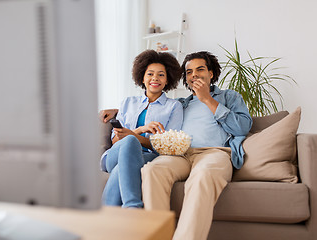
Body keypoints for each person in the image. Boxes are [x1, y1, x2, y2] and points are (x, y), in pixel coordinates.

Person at [100, 51, 252, 239]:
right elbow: (152, 103)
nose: (194, 75)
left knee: (202, 176)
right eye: (189, 72)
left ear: (211, 74)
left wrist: (207, 99)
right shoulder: (181, 104)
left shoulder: (229, 97)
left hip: (214, 153)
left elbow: (243, 127)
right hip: (180, 155)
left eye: (200, 69)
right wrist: (116, 111)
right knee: (151, 171)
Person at [101, 49, 183, 208]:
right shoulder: (127, 102)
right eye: (150, 74)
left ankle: (126, 209)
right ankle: (133, 207)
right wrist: (138, 131)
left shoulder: (174, 107)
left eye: (161, 75)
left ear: (167, 80)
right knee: (129, 142)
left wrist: (133, 135)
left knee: (122, 168)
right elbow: (115, 140)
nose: (155, 78)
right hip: (114, 155)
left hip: (148, 156)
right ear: (142, 77)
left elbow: (168, 145)